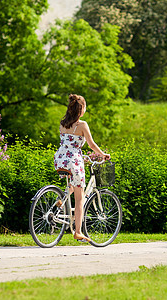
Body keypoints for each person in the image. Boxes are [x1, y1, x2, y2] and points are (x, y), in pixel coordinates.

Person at [54, 94, 110, 242]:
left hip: (60, 159)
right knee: (80, 199)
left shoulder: (62, 123)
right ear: (81, 110)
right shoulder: (82, 125)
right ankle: (78, 231)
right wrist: (103, 154)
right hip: (74, 161)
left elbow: (68, 145)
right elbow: (91, 144)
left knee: (74, 183)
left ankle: (62, 199)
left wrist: (82, 156)